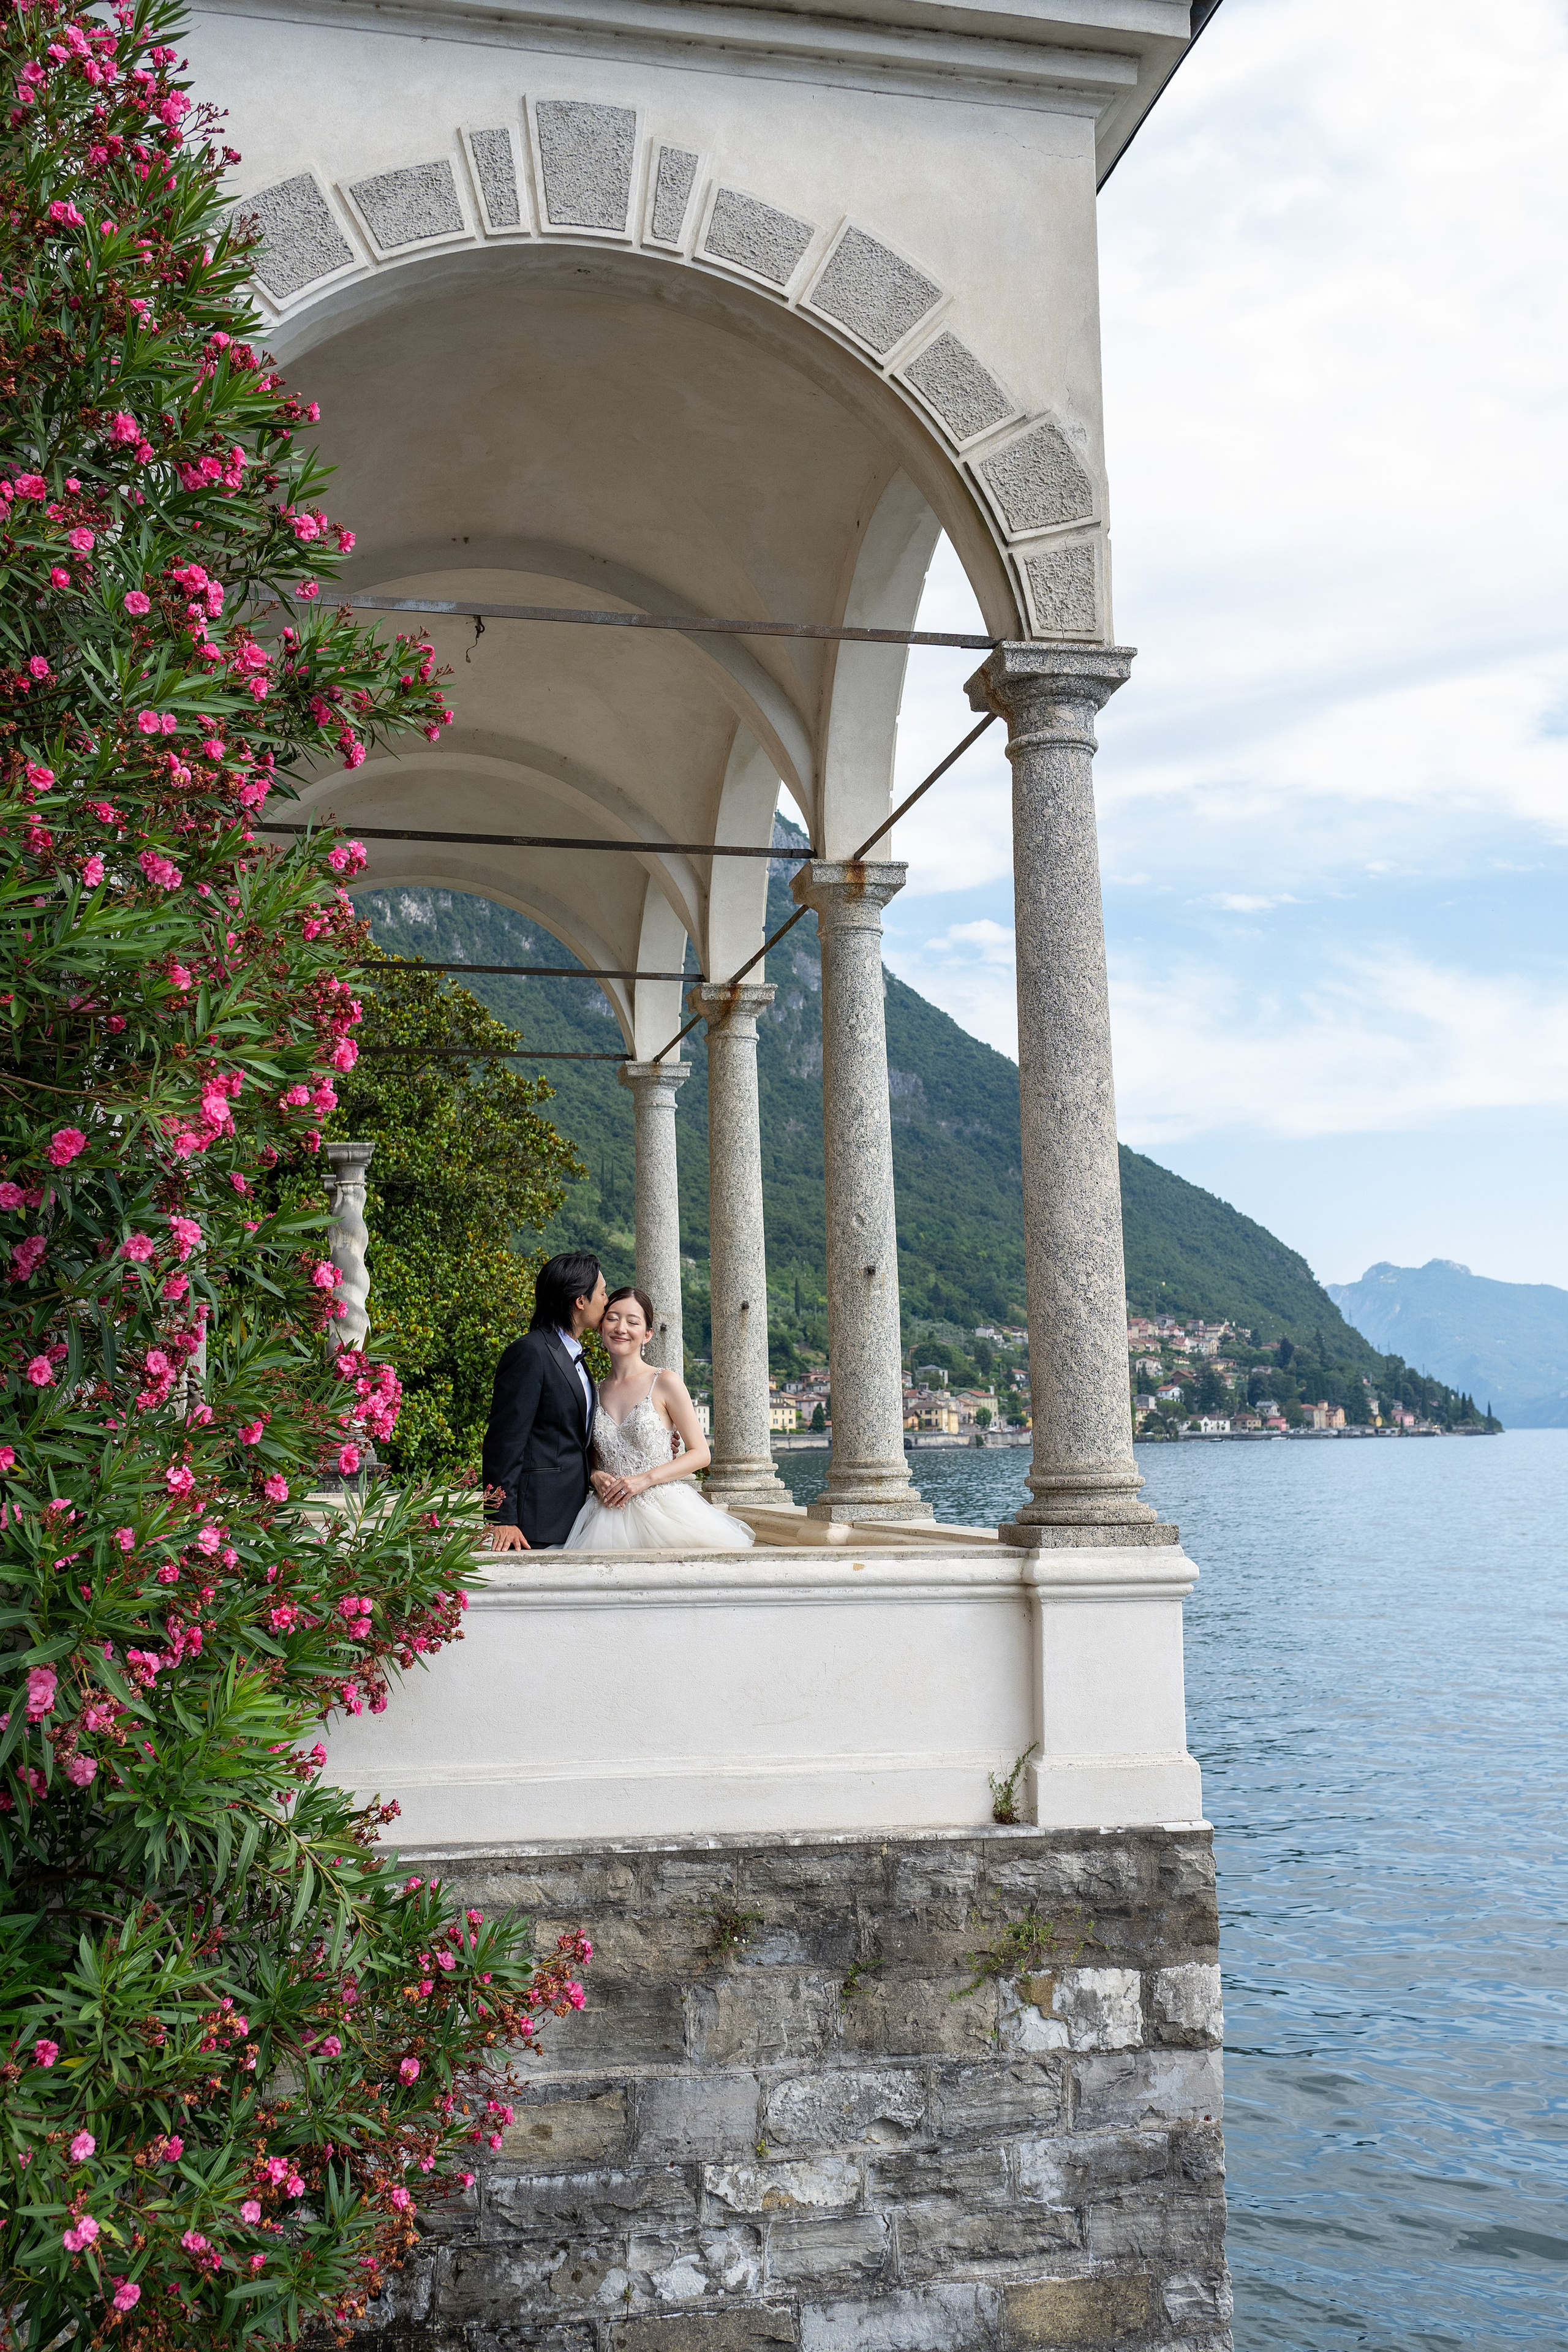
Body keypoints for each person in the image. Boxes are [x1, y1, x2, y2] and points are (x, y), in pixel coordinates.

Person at [565, 1286, 755, 1552]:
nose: (621, 1328)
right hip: (605, 1515)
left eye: (633, 1322)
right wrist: (595, 1475)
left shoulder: (665, 1382)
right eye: (612, 1318)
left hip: (663, 1511)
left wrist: (644, 1480)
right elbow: (591, 1457)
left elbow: (701, 1454)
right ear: (600, 1328)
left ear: (647, 1334)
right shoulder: (592, 1390)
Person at [482, 1251, 607, 1549]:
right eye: (602, 1292)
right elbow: (505, 1439)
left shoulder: (574, 1355)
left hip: (574, 1515)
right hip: (533, 1520)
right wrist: (501, 1518)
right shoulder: (530, 1352)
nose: (607, 1300)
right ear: (581, 1301)